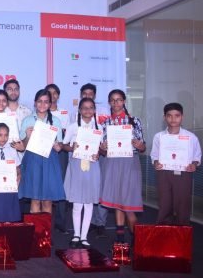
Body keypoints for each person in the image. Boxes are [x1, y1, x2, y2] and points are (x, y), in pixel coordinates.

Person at [99, 89, 145, 243]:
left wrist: (140, 145)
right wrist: (102, 148)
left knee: (129, 204)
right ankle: (120, 240)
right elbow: (102, 150)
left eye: (119, 99)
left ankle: (138, 241)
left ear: (124, 101)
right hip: (112, 162)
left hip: (130, 163)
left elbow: (143, 147)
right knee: (117, 202)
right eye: (112, 100)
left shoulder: (134, 121)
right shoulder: (105, 123)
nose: (116, 103)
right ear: (109, 102)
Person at [150, 103, 202, 225]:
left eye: (177, 116)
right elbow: (154, 155)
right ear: (164, 117)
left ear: (182, 117)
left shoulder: (191, 137)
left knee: (182, 204)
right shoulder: (159, 136)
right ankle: (163, 229)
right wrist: (156, 163)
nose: (173, 119)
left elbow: (197, 156)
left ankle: (182, 231)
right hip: (164, 172)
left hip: (184, 173)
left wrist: (194, 164)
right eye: (169, 116)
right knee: (164, 203)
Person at [18, 89, 65, 214]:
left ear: (50, 104)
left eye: (46, 102)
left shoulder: (55, 121)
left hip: (50, 160)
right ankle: (36, 228)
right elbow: (23, 146)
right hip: (33, 160)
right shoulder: (27, 120)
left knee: (47, 201)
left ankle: (45, 228)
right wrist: (27, 136)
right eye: (39, 101)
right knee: (35, 199)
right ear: (35, 102)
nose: (42, 104)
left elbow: (60, 144)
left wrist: (57, 146)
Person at [62, 98, 101, 248]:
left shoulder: (99, 127)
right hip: (77, 165)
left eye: (91, 108)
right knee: (77, 203)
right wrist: (72, 148)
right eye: (84, 108)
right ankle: (76, 235)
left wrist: (98, 153)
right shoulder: (73, 127)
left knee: (89, 203)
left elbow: (100, 148)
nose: (87, 110)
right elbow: (64, 145)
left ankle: (84, 237)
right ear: (79, 110)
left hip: (92, 166)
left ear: (94, 110)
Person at [74, 83, 110, 237]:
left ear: (94, 96)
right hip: (78, 161)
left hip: (96, 160)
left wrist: (101, 150)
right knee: (80, 196)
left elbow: (103, 144)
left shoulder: (103, 115)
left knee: (96, 191)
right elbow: (69, 142)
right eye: (85, 94)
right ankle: (80, 230)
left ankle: (98, 223)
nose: (88, 96)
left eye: (90, 94)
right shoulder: (74, 118)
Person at [45, 83, 70, 234]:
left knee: (61, 184)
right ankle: (45, 221)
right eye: (49, 93)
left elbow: (67, 134)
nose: (52, 95)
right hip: (44, 152)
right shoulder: (41, 112)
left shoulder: (64, 113)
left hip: (60, 152)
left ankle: (61, 221)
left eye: (55, 93)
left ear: (58, 96)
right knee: (46, 185)